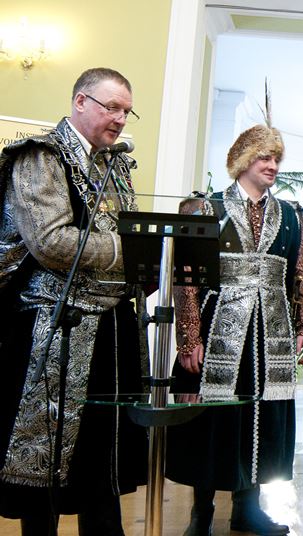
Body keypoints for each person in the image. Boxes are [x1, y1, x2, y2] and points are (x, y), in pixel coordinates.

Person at [0, 67, 148, 535]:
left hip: (110, 329)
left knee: (101, 458)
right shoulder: (39, 157)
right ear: (80, 101)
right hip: (51, 326)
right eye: (112, 107)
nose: (120, 119)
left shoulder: (114, 165)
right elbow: (51, 242)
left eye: (127, 111)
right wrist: (130, 252)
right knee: (44, 459)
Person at [166, 123, 303, 536]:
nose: (272, 165)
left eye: (276, 158)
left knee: (262, 415)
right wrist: (190, 336)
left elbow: (301, 275)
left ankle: (247, 509)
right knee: (212, 417)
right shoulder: (206, 209)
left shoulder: (290, 215)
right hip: (219, 328)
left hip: (271, 331)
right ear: (242, 160)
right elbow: (187, 277)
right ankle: (202, 512)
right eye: (264, 157)